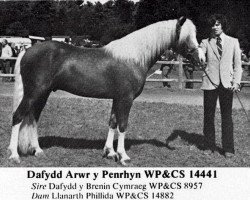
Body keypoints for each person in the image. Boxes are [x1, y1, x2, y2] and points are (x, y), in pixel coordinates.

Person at [199, 14, 243, 158]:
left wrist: (236, 82)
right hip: (210, 83)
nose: (215, 27)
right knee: (208, 116)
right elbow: (200, 56)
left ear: (222, 25)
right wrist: (199, 56)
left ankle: (228, 148)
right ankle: (209, 146)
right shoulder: (205, 42)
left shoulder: (233, 42)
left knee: (227, 116)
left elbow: (238, 65)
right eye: (213, 25)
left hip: (227, 84)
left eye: (217, 24)